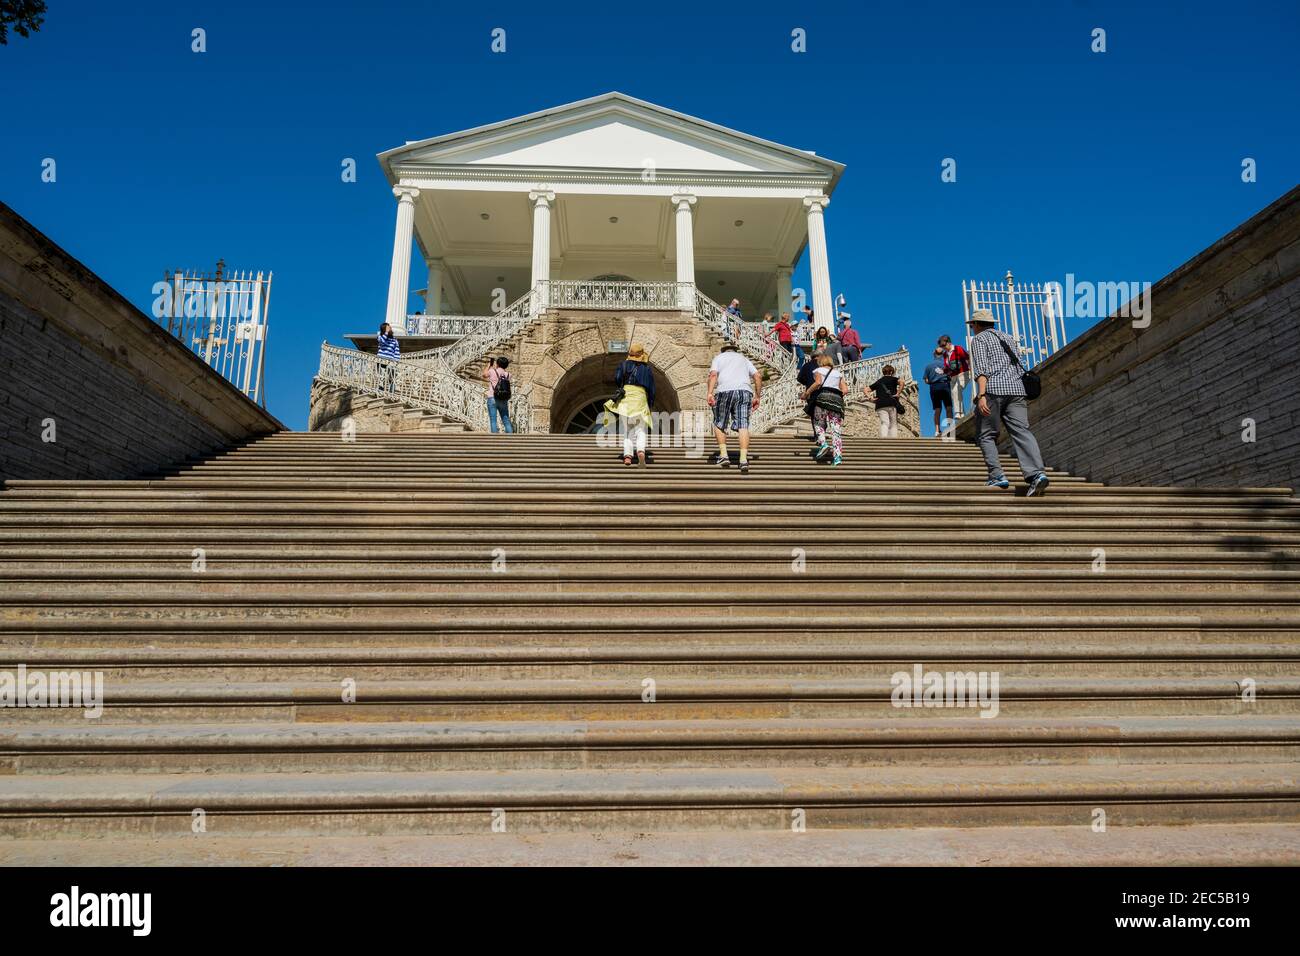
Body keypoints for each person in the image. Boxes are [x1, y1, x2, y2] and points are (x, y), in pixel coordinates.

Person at [967, 309, 1050, 495]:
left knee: (986, 435)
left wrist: (981, 395)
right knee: (1022, 432)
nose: (972, 327)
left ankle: (997, 476)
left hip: (993, 390)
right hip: (1017, 391)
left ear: (978, 324)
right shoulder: (1008, 338)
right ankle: (1036, 473)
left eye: (972, 324)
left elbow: (981, 370)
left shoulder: (979, 339)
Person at [706, 344, 762, 473]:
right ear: (736, 351)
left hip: (724, 390)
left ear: (723, 351)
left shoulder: (719, 358)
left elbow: (713, 375)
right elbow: (758, 376)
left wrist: (709, 393)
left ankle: (724, 455)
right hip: (744, 391)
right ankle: (743, 459)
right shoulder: (743, 359)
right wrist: (758, 396)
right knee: (743, 425)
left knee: (719, 423)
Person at [603, 343, 655, 466]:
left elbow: (617, 379)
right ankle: (641, 450)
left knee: (627, 429)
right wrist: (650, 402)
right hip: (640, 399)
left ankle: (627, 456)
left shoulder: (624, 365)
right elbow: (652, 389)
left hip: (627, 398)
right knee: (641, 429)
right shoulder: (647, 369)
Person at [802, 353, 848, 466]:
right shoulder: (838, 373)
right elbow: (845, 390)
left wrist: (807, 393)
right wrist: (835, 395)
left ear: (821, 362)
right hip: (836, 401)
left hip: (822, 399)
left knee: (819, 423)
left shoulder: (818, 370)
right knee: (836, 429)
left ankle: (823, 444)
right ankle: (837, 457)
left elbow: (818, 383)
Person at [922, 347, 954, 439]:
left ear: (933, 354)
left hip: (934, 387)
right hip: (945, 386)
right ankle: (950, 428)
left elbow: (926, 380)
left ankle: (936, 430)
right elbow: (951, 376)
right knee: (948, 408)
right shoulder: (946, 364)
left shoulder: (928, 366)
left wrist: (933, 380)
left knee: (937, 409)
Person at [866, 364, 903, 438]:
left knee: (884, 422)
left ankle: (883, 439)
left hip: (880, 404)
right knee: (893, 423)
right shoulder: (894, 379)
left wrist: (870, 398)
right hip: (891, 403)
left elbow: (866, 389)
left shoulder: (879, 381)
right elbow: (902, 382)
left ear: (883, 372)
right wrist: (898, 393)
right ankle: (893, 442)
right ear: (891, 372)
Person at [939, 334, 971, 417]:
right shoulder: (945, 355)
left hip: (963, 373)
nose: (943, 347)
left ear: (949, 342)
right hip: (953, 377)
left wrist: (970, 368)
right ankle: (962, 414)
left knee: (956, 390)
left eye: (943, 345)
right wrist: (943, 371)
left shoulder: (958, 349)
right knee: (954, 393)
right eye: (941, 346)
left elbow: (967, 357)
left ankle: (957, 412)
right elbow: (948, 367)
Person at [796, 348, 825, 440]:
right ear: (820, 356)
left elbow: (799, 378)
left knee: (814, 414)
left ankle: (817, 434)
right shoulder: (824, 365)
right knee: (823, 413)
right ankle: (822, 433)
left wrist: (808, 383)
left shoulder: (806, 365)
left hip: (811, 391)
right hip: (824, 390)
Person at [483, 356, 513, 434]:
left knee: (493, 420)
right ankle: (511, 440)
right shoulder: (508, 374)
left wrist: (489, 365)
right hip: (503, 399)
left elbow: (484, 375)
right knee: (506, 420)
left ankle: (495, 441)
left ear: (498, 364)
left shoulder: (492, 371)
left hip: (492, 397)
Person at [377, 322, 400, 390]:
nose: (390, 329)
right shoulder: (380, 336)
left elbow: (396, 351)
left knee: (392, 376)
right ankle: (381, 390)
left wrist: (396, 361)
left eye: (390, 328)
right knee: (382, 376)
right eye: (388, 328)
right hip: (381, 359)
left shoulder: (394, 340)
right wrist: (386, 332)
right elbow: (382, 341)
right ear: (384, 329)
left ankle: (391, 392)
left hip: (390, 361)